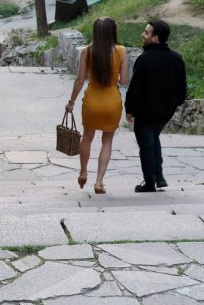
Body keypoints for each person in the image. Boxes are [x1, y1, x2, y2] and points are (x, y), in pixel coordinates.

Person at [65, 17, 129, 195]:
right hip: (111, 102)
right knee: (107, 141)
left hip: (92, 101)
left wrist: (71, 102)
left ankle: (83, 171)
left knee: (87, 137)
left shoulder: (87, 51)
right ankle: (99, 182)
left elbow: (79, 80)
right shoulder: (121, 51)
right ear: (112, 31)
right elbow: (123, 81)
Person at [125, 20, 187, 193]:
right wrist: (176, 103)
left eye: (146, 33)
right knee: (153, 138)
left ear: (156, 38)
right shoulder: (176, 58)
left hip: (145, 112)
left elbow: (135, 88)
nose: (142, 35)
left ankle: (150, 182)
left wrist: (129, 108)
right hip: (166, 111)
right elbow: (181, 88)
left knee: (146, 145)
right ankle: (158, 176)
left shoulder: (144, 59)